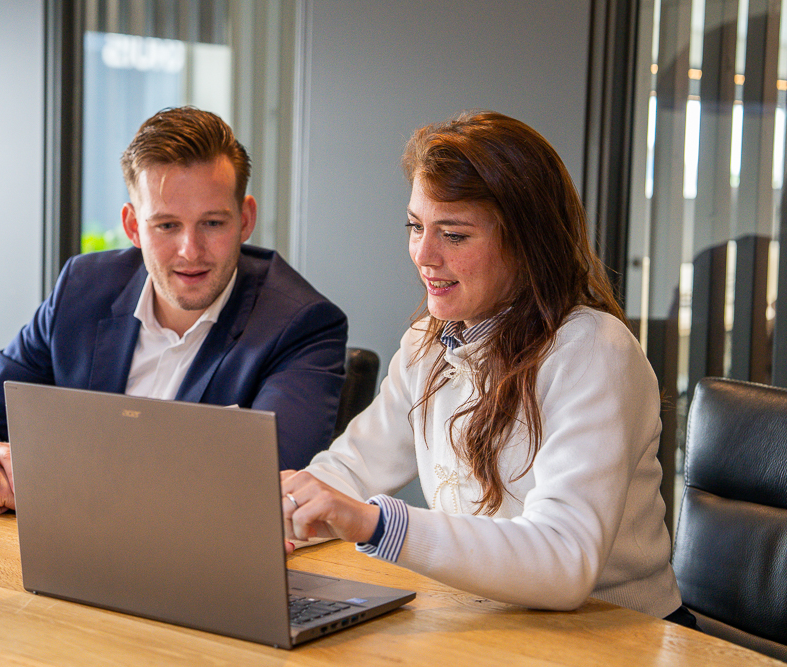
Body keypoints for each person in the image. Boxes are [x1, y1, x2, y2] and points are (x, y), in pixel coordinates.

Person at [280, 110, 690, 623]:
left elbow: (564, 561)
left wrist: (374, 524)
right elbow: (352, 470)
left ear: (528, 241)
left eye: (453, 235)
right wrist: (289, 507)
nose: (423, 256)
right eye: (415, 227)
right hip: (492, 625)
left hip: (618, 637)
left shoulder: (595, 350)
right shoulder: (426, 344)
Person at [0, 106, 347, 515]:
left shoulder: (302, 325)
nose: (190, 251)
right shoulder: (83, 288)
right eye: (166, 225)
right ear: (133, 227)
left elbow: (256, 485)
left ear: (245, 219)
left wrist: (49, 485)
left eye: (213, 223)